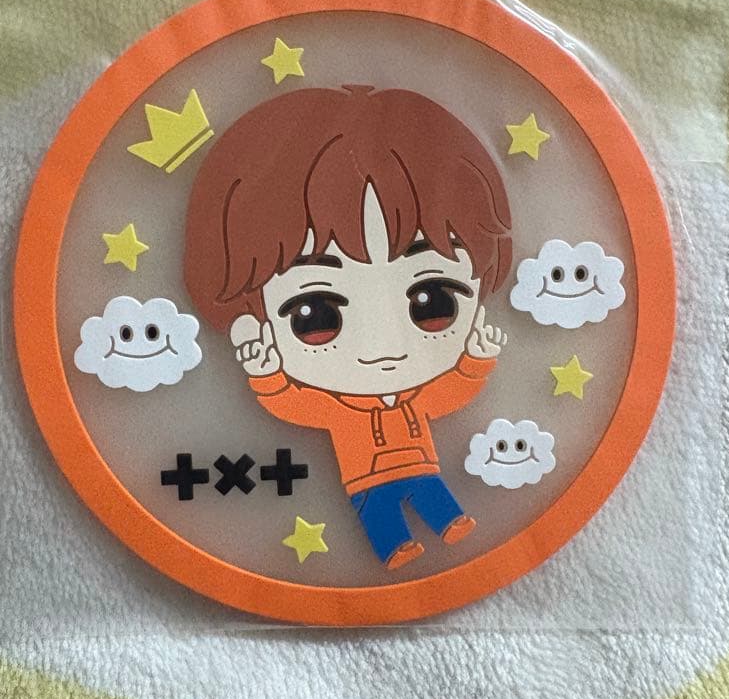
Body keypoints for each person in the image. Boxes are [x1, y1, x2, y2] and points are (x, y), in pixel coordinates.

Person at [184, 85, 512, 569]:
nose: (382, 349)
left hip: (421, 464)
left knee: (430, 490)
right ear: (252, 316)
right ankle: (395, 548)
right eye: (315, 316)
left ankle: (449, 522)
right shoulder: (338, 410)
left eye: (433, 302)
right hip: (364, 479)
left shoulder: (415, 396)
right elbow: (290, 403)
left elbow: (451, 394)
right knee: (380, 513)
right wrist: (267, 375)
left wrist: (475, 361)